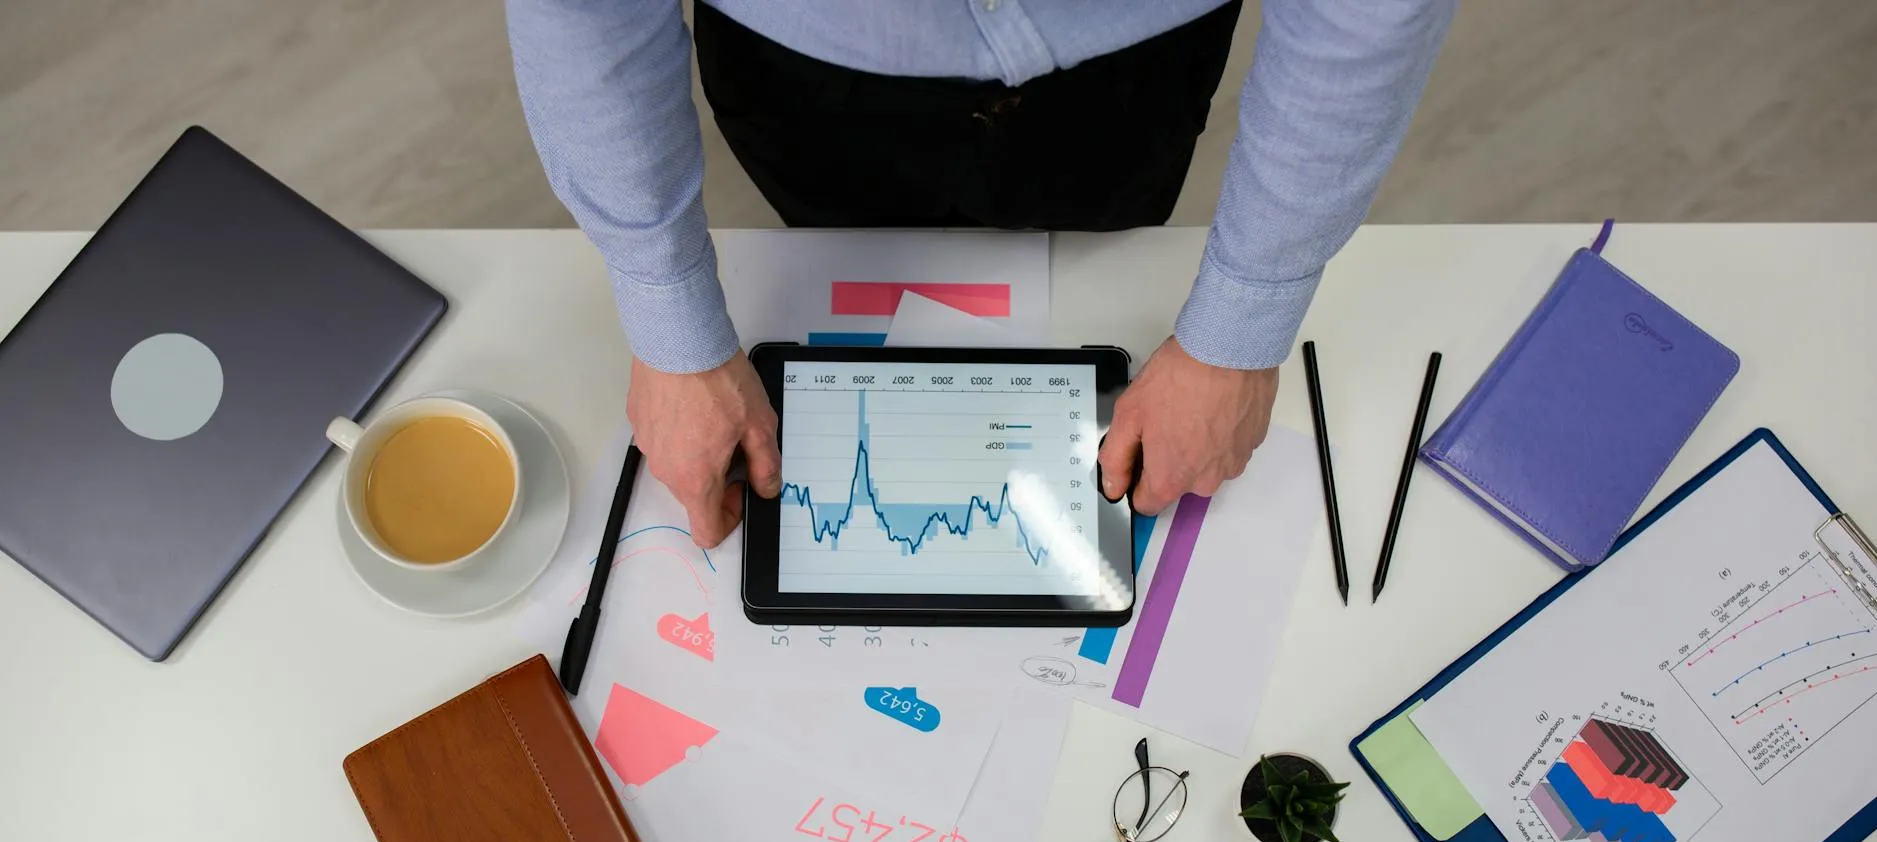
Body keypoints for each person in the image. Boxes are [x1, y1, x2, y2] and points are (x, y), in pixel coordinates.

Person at [506, 0, 1455, 547]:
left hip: (1128, 70)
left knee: (1105, 233)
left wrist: (1238, 333)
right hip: (805, 71)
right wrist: (670, 326)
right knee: (833, 234)